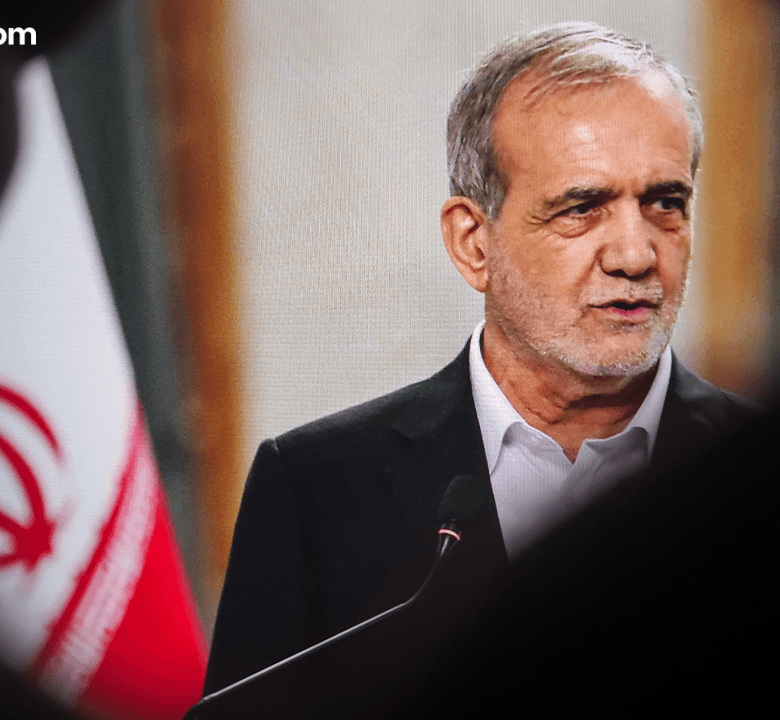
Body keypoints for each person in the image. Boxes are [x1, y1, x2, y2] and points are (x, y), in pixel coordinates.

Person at [203, 22, 759, 716]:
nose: (636, 255)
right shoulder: (316, 489)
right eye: (582, 208)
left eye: (665, 204)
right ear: (474, 243)